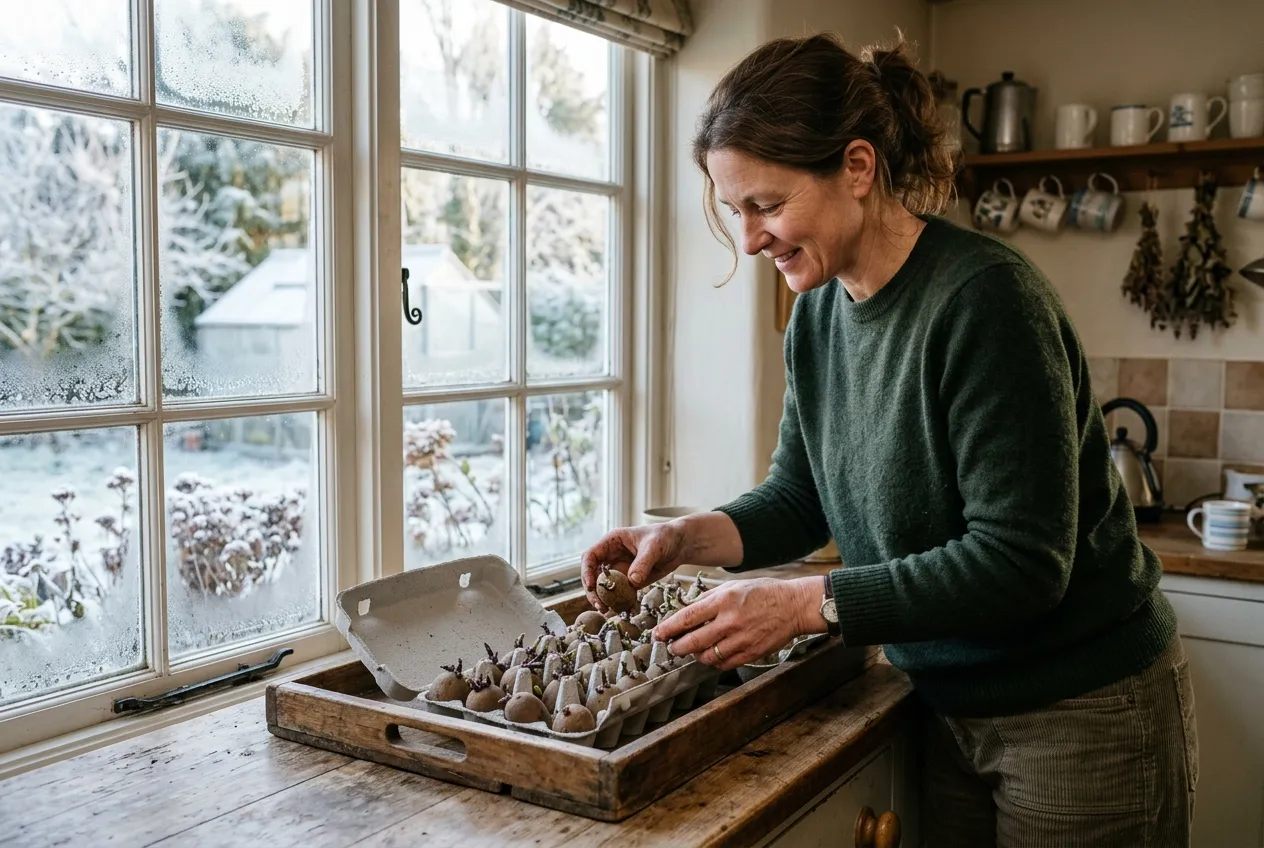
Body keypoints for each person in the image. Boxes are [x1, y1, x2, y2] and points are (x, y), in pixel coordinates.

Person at [580, 30, 1198, 848]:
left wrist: (808, 604)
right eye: (737, 212)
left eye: (766, 205)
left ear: (858, 169)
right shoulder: (818, 318)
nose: (752, 238)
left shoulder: (985, 301)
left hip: (1080, 715)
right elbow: (801, 499)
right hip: (942, 703)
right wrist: (685, 535)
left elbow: (1021, 565)